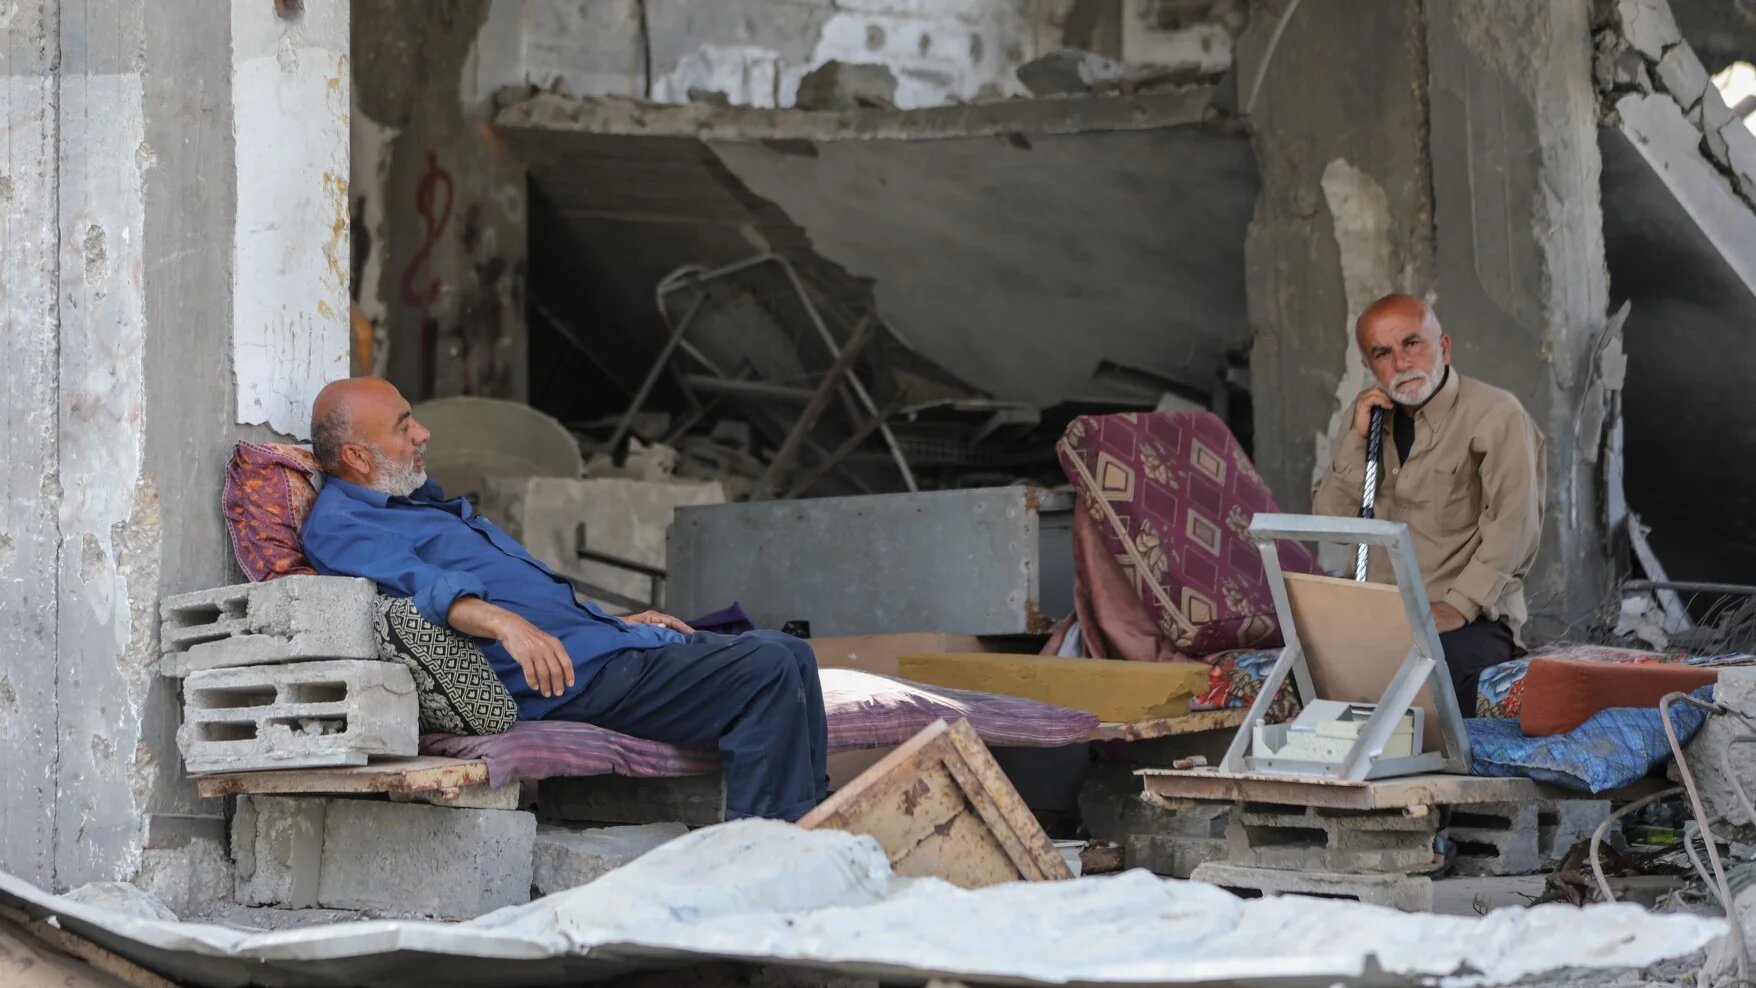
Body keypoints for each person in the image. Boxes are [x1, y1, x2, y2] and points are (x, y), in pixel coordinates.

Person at [299, 377, 828, 822]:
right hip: (566, 678)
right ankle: (766, 855)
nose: (422, 432)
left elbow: (535, 601)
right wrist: (506, 624)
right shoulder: (343, 524)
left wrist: (613, 622)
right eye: (403, 425)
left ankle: (812, 834)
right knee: (766, 671)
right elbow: (426, 589)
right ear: (356, 456)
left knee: (792, 653)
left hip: (597, 646)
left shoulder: (413, 503)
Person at [1313, 294, 1545, 710]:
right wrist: (1356, 440)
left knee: (1424, 680)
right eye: (1383, 353)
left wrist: (1458, 606)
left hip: (1469, 619)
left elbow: (1515, 527)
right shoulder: (1366, 417)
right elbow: (1332, 523)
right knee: (1311, 673)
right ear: (1369, 366)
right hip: (1380, 616)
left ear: (1444, 347)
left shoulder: (1496, 415)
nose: (1401, 362)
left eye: (1412, 343)